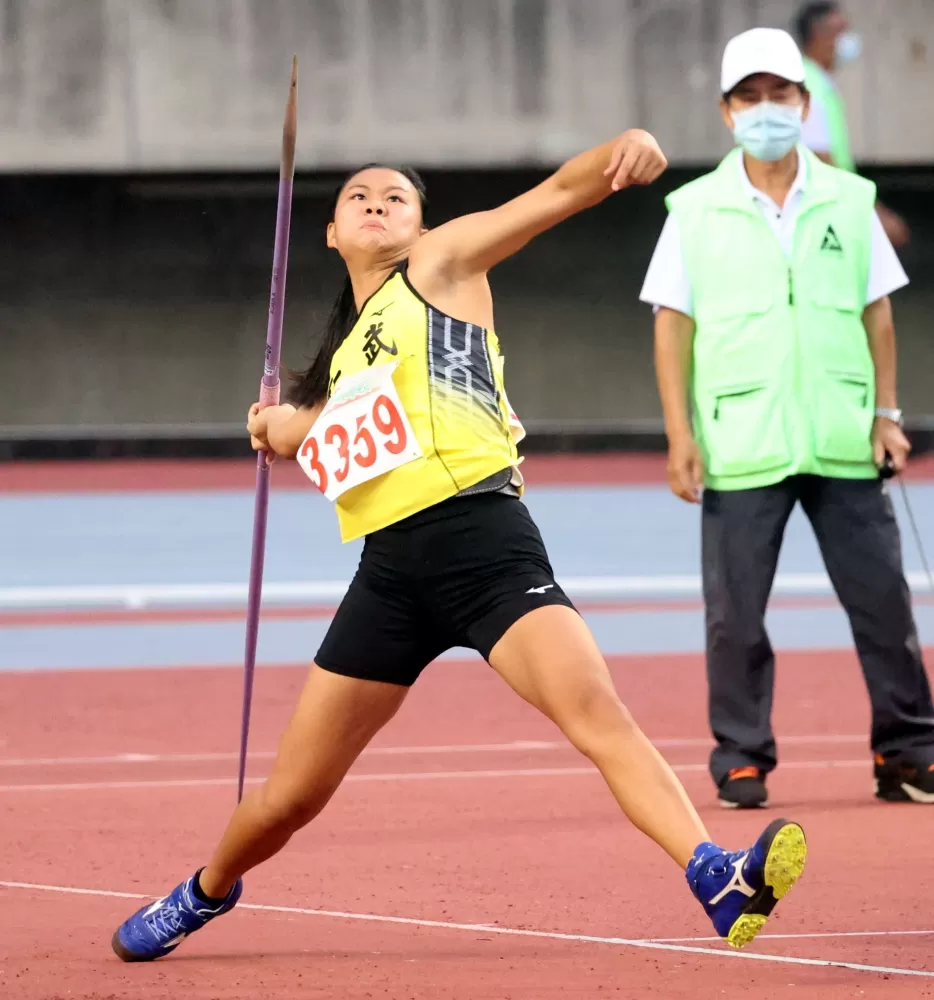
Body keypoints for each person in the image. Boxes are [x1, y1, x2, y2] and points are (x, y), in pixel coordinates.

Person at [111, 139, 807, 962]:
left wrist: (615, 158)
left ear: (422, 223)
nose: (376, 203)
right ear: (332, 232)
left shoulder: (440, 266)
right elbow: (304, 428)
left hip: (488, 548)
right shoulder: (347, 353)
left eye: (396, 197)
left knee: (598, 715)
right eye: (359, 198)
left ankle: (715, 876)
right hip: (391, 579)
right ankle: (204, 890)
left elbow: (552, 195)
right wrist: (269, 425)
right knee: (289, 798)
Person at [641, 26, 934, 810]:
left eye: (781, 95)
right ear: (727, 112)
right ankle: (741, 757)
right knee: (735, 616)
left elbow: (877, 314)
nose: (768, 109)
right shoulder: (693, 209)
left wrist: (885, 414)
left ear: (803, 103)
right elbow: (672, 325)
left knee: (882, 604)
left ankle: (906, 752)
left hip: (843, 433)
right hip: (742, 438)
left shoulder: (850, 199)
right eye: (751, 98)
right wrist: (680, 436)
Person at [795, 1, 910, 246]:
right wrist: (872, 210)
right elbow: (822, 158)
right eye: (841, 31)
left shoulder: (819, 82)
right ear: (819, 35)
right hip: (828, 209)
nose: (848, 40)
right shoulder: (808, 85)